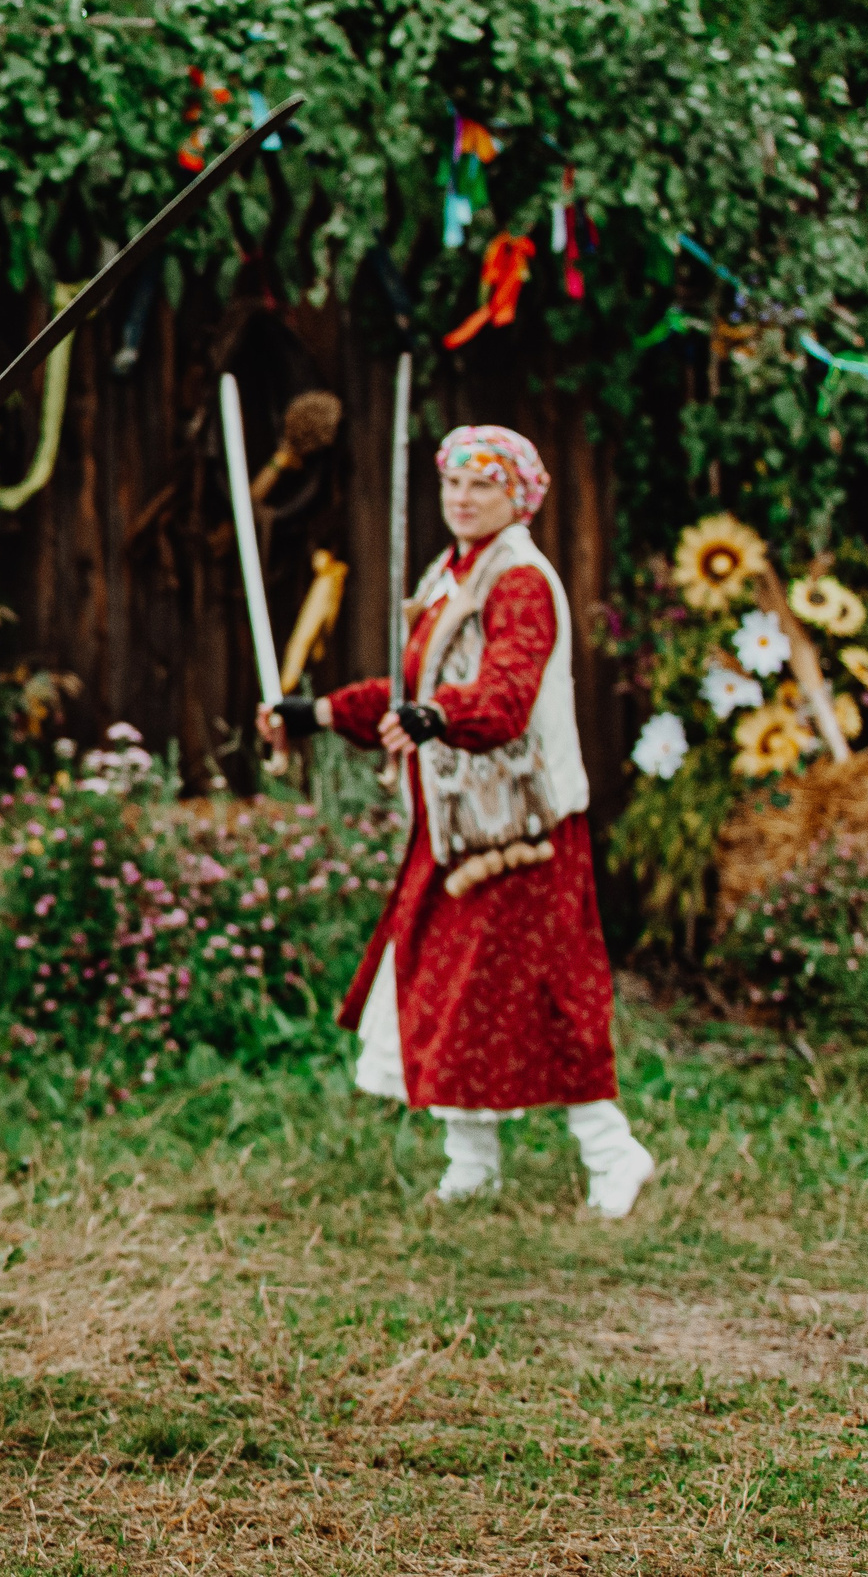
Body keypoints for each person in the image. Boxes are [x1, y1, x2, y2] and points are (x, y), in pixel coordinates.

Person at [257, 426, 654, 1218]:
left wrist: (438, 715)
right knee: (451, 995)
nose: (463, 498)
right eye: (454, 483)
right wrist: (318, 711)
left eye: (484, 485)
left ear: (519, 496)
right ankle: (472, 1163)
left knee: (552, 997)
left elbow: (505, 696)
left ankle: (615, 1154)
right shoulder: (452, 574)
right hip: (455, 829)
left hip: (524, 833)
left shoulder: (520, 582)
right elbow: (412, 692)